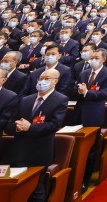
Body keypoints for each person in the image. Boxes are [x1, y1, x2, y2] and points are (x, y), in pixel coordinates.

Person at [8, 68, 68, 202]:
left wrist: (30, 127)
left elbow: (54, 125)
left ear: (55, 82)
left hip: (40, 150)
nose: (42, 81)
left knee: (36, 188)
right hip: (20, 149)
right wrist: (17, 127)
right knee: (19, 187)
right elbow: (12, 120)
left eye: (46, 79)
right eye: (40, 78)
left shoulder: (60, 99)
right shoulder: (26, 100)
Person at [75, 48, 107, 127]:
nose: (93, 60)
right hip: (79, 111)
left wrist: (86, 92)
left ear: (104, 59)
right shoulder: (84, 73)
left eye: (96, 58)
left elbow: (104, 94)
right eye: (92, 58)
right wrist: (79, 91)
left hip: (94, 112)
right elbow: (75, 89)